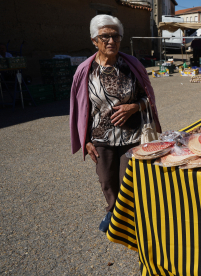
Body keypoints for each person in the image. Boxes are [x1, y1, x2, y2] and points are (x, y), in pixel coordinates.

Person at [70, 15, 162, 232]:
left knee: (128, 180)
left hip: (132, 135)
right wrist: (87, 140)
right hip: (101, 137)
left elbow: (148, 98)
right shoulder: (85, 70)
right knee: (107, 181)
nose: (111, 41)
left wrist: (133, 107)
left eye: (116, 36)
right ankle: (113, 211)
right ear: (94, 40)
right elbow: (80, 109)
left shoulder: (133, 66)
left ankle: (129, 219)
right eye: (105, 37)